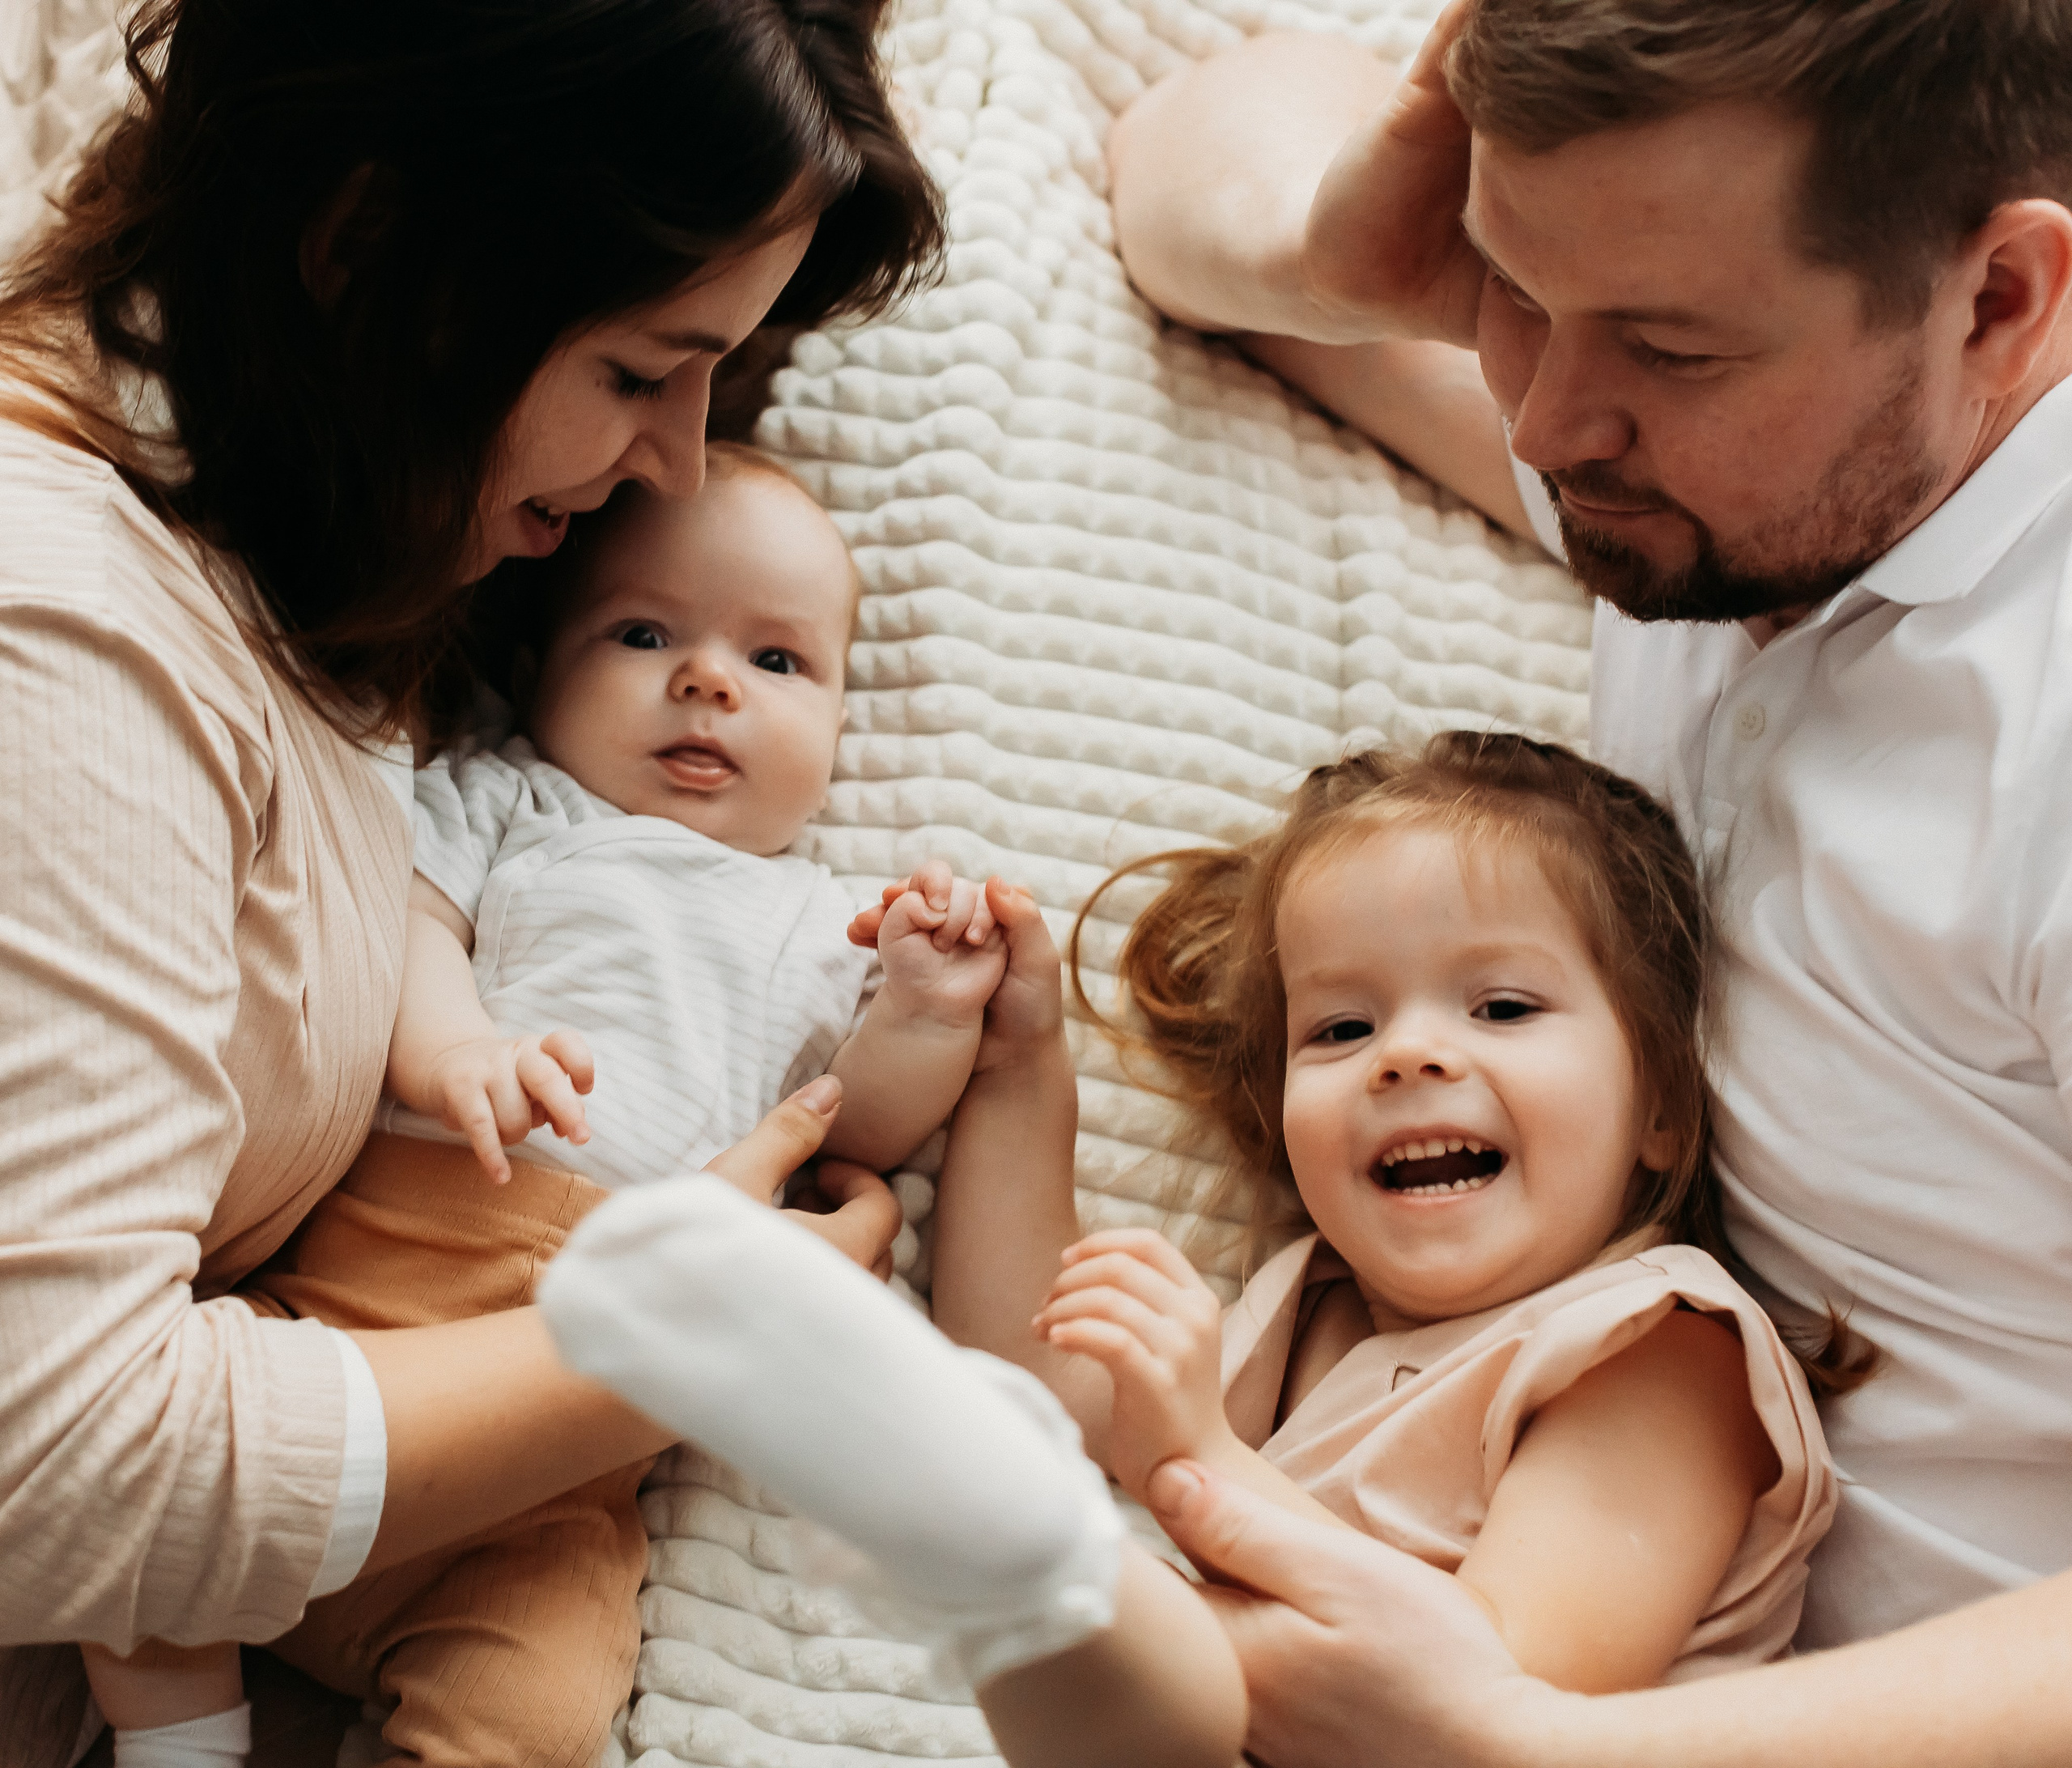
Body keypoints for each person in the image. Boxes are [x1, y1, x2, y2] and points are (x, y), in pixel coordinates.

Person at [1099, 0, 2072, 1762]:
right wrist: (1371, 254)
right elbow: (1176, 164)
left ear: (1995, 304)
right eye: (1506, 295)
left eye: (1664, 347)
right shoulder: (1732, 485)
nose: (1544, 421)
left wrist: (1537, 1746)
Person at [0, 2, 943, 1765]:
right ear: (367, 245)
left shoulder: (339, 522)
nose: (671, 466)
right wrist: (680, 1335)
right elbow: (48, 1469)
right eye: (637, 374)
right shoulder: (58, 642)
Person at [523, 731, 1851, 1768]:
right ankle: (1007, 1564)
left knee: (1159, 1667)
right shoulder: (1319, 1310)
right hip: (1222, 1733)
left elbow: (1496, 1696)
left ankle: (1021, 1569)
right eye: (1339, 1031)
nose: (1412, 1054)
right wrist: (1020, 1060)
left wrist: (1201, 1464)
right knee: (1144, 1678)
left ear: (1665, 1110)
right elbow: (1035, 1362)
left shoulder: (1664, 1345)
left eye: (1502, 1005)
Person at [74, 449, 1012, 1766]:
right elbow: (406, 921)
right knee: (140, 1529)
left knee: (539, 1711)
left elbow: (853, 1122)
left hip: (550, 1489)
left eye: (780, 663)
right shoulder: (513, 799)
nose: (707, 680)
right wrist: (451, 1042)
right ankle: (182, 1747)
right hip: (360, 1321)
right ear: (535, 667)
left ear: (844, 722)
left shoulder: (823, 915)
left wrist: (926, 1008)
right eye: (642, 633)